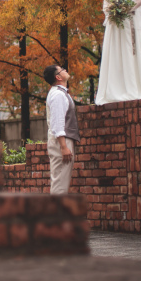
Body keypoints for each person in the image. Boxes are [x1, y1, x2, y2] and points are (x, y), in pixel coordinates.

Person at [43, 65, 79, 194]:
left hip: (62, 140)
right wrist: (64, 146)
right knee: (60, 185)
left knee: (61, 183)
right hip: (61, 141)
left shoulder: (60, 93)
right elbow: (57, 122)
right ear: (58, 77)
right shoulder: (58, 94)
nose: (65, 70)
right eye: (62, 69)